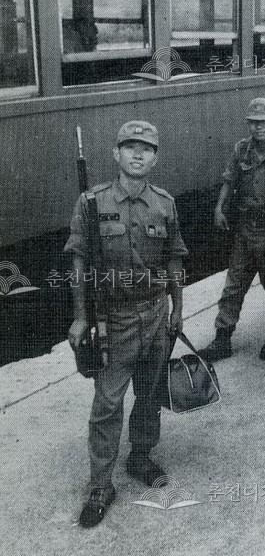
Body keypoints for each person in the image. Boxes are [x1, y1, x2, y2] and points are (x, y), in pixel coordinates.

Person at [65, 121, 188, 528]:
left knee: (150, 392)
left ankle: (140, 456)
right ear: (116, 154)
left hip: (155, 312)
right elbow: (79, 262)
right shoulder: (91, 202)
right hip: (113, 317)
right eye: (130, 147)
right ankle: (101, 483)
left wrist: (178, 308)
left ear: (156, 157)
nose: (138, 154)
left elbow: (174, 259)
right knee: (107, 403)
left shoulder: (164, 203)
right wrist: (82, 317)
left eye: (147, 149)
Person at [199, 98, 265, 363]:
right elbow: (229, 179)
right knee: (234, 285)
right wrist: (219, 208)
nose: (258, 128)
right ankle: (223, 338)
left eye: (264, 122)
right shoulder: (241, 150)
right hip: (245, 231)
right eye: (254, 123)